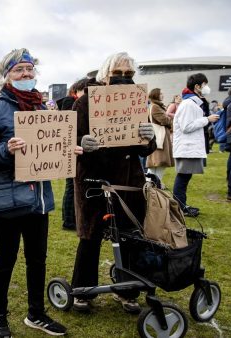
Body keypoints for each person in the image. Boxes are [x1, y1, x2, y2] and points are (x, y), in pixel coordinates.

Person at [0, 48, 77, 337]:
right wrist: (5, 150)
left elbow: (50, 147)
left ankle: (36, 313)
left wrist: (69, 150)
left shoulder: (42, 109)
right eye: (19, 70)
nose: (26, 75)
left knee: (38, 259)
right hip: (7, 199)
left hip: (39, 199)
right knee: (6, 259)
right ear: (6, 75)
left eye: (30, 70)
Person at [71, 52, 156, 314]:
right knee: (91, 237)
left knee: (130, 235)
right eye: (117, 74)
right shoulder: (84, 103)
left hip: (129, 179)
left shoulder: (137, 101)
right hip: (95, 179)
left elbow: (146, 149)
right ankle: (82, 291)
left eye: (128, 74)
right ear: (105, 75)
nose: (123, 79)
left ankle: (127, 289)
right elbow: (70, 141)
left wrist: (149, 136)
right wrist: (82, 143)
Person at [172, 73, 220, 215]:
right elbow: (186, 126)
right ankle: (180, 207)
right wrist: (207, 119)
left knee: (184, 178)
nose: (206, 88)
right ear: (197, 87)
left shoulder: (192, 103)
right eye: (204, 85)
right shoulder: (188, 104)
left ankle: (181, 206)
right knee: (183, 177)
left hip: (189, 147)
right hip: (187, 147)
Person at [58, 77, 88, 231]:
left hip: (76, 148)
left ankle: (72, 219)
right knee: (71, 187)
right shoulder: (70, 103)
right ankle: (69, 220)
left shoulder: (74, 102)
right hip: (71, 150)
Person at [146, 88, 174, 182]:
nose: (163, 95)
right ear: (156, 95)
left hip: (159, 137)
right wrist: (170, 120)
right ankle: (155, 186)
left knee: (155, 165)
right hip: (159, 138)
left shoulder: (155, 106)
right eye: (161, 93)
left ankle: (151, 185)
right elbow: (165, 120)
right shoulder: (155, 107)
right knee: (159, 163)